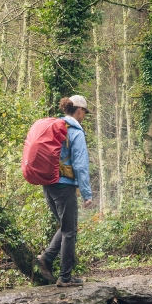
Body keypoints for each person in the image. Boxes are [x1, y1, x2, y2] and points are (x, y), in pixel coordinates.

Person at [36, 95, 93, 287]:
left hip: (48, 184)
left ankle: (47, 258)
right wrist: (87, 194)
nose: (84, 116)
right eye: (85, 112)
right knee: (70, 231)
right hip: (64, 185)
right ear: (79, 110)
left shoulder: (54, 127)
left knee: (65, 226)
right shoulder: (75, 132)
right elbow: (80, 166)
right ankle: (65, 277)